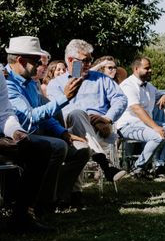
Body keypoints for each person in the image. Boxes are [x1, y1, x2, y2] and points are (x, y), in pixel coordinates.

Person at [5, 36, 91, 208]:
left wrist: (63, 132)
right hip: (15, 136)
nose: (40, 65)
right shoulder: (7, 83)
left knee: (82, 150)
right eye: (37, 61)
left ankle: (60, 196)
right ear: (21, 60)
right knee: (58, 147)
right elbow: (29, 118)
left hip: (35, 134)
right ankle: (43, 203)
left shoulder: (29, 82)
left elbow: (45, 117)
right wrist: (64, 98)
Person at [46, 39, 127, 182]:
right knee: (77, 115)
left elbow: (121, 99)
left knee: (81, 143)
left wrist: (107, 118)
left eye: (91, 60)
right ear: (71, 60)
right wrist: (89, 119)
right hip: (69, 132)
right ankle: (104, 163)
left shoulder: (101, 79)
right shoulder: (56, 84)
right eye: (85, 60)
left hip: (100, 130)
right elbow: (61, 112)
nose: (89, 64)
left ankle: (73, 195)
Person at [116, 57, 165, 179]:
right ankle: (138, 168)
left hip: (146, 124)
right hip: (128, 125)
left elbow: (160, 95)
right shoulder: (128, 85)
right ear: (136, 69)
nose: (150, 70)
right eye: (147, 68)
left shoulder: (149, 86)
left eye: (150, 67)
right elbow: (137, 109)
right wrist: (156, 127)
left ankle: (160, 164)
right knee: (157, 136)